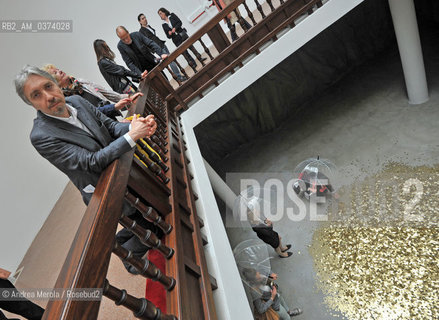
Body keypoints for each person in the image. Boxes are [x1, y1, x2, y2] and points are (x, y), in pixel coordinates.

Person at [14, 65, 157, 274]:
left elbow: (110, 127)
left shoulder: (77, 101)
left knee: (147, 216)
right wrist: (132, 136)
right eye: (36, 95)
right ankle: (128, 258)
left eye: (48, 86)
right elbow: (91, 162)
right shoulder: (41, 136)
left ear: (55, 84)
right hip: (103, 186)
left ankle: (123, 235)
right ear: (31, 103)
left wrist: (135, 125)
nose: (49, 96)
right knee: (153, 228)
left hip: (122, 169)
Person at [42, 64, 140, 120]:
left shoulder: (80, 82)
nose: (60, 71)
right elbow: (89, 114)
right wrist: (114, 107)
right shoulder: (66, 100)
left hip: (110, 117)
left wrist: (128, 97)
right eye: (55, 73)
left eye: (58, 69)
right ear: (54, 82)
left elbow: (106, 92)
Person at [137, 13, 186, 82]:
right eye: (142, 19)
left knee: (171, 59)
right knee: (170, 61)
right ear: (140, 22)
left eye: (145, 17)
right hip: (158, 48)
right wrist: (152, 51)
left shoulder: (148, 27)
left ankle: (179, 76)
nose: (145, 19)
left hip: (161, 44)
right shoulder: (141, 31)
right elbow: (146, 43)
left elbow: (154, 37)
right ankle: (179, 77)